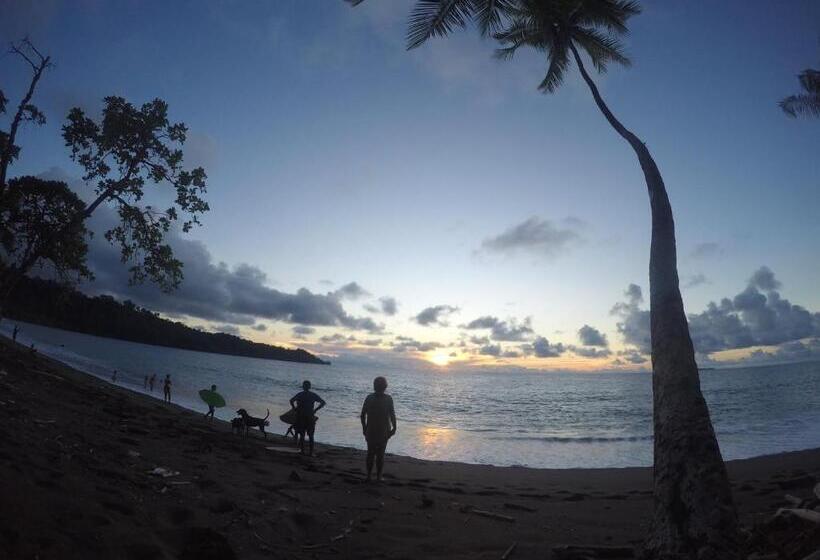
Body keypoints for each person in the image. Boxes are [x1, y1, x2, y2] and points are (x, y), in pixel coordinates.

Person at [360, 376, 396, 483]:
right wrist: (394, 427)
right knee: (380, 455)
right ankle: (378, 477)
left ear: (374, 386)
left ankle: (369, 476)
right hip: (383, 431)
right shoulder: (388, 399)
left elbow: (362, 415)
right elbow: (392, 415)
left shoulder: (369, 397)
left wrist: (364, 427)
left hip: (371, 430)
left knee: (370, 453)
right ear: (385, 386)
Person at [289, 380, 325, 456]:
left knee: (302, 435)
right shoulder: (313, 395)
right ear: (310, 387)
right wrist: (315, 410)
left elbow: (291, 401)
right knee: (311, 435)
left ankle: (302, 451)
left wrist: (295, 408)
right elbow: (323, 402)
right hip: (310, 416)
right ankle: (311, 452)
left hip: (301, 416)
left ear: (303, 387)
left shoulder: (300, 394)